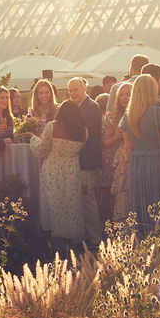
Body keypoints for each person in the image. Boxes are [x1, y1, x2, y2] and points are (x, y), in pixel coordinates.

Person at [122, 74, 160, 226]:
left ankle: (143, 238)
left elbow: (128, 148)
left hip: (137, 164)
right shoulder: (157, 112)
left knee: (141, 202)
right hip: (157, 161)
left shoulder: (127, 116)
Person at [31, 99, 87, 244]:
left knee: (54, 202)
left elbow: (41, 150)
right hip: (72, 169)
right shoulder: (84, 132)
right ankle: (71, 241)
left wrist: (33, 139)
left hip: (52, 169)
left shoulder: (52, 127)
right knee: (71, 203)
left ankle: (55, 243)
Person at [68, 77, 104, 242]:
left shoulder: (91, 107)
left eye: (76, 89)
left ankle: (95, 239)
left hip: (87, 160)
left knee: (88, 199)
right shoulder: (73, 106)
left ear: (84, 89)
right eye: (70, 90)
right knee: (80, 199)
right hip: (77, 159)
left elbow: (82, 132)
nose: (73, 93)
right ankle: (85, 237)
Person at [105, 82, 132, 220]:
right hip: (122, 157)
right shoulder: (112, 116)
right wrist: (117, 136)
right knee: (122, 193)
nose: (124, 97)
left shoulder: (138, 113)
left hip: (137, 155)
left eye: (128, 94)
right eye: (121, 94)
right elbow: (106, 142)